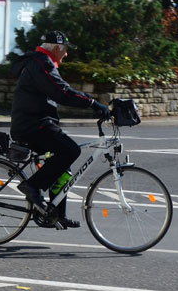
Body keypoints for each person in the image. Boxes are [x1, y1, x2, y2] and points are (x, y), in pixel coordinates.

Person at [10, 30, 110, 229]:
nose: (66, 54)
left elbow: (59, 91)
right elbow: (62, 92)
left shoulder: (42, 62)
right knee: (70, 150)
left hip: (36, 122)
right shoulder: (42, 64)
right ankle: (32, 186)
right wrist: (93, 104)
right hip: (32, 125)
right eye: (65, 50)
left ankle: (56, 215)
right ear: (57, 48)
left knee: (63, 167)